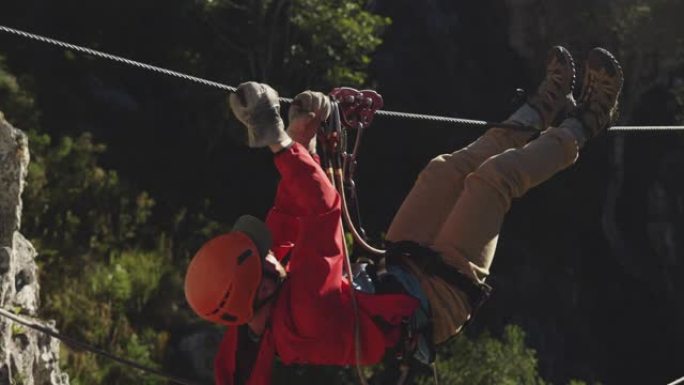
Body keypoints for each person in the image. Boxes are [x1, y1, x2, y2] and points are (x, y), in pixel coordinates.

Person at [184, 46, 624, 385]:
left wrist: (302, 141)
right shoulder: (304, 317)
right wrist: (279, 143)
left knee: (444, 171)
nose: (271, 254)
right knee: (493, 181)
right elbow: (322, 211)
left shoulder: (262, 290)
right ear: (256, 289)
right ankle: (587, 122)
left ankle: (543, 107)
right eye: (263, 260)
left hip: (398, 273)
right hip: (438, 301)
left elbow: (288, 213)